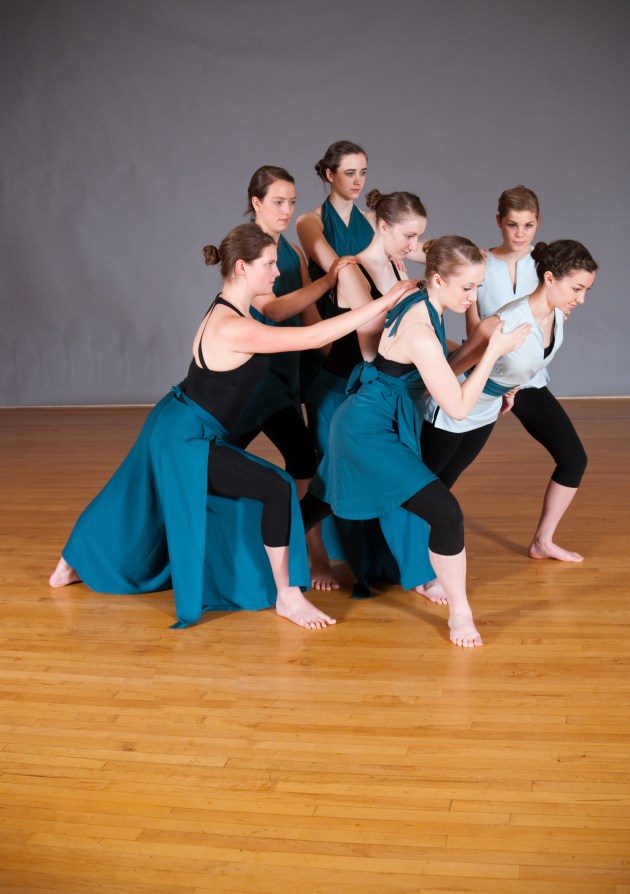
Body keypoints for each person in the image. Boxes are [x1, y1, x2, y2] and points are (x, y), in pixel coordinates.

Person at [49, 224, 418, 630]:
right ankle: (288, 598)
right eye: (270, 264)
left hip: (175, 420)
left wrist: (339, 284)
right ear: (242, 267)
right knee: (275, 488)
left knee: (136, 494)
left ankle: (71, 562)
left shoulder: (231, 307)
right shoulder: (233, 327)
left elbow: (282, 314)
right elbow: (313, 337)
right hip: (185, 436)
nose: (277, 272)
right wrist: (385, 302)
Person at [301, 236, 531, 647]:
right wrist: (492, 352)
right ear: (438, 280)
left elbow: (441, 372)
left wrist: (486, 367)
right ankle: (461, 615)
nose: (473, 297)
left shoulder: (422, 298)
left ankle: (260, 559)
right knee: (446, 514)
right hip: (365, 431)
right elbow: (457, 407)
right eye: (466, 287)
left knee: (317, 505)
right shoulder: (422, 329)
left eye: (477, 286)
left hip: (374, 422)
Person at [421, 240, 598, 562]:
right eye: (577, 289)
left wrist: (507, 388)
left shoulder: (557, 316)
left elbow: (522, 364)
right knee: (424, 488)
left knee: (445, 483)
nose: (581, 299)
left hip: (487, 410)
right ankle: (397, 559)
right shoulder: (502, 323)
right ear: (549, 278)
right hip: (453, 409)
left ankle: (415, 557)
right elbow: (450, 370)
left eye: (586, 290)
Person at [308, 188, 445, 602]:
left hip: (382, 392)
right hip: (344, 394)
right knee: (340, 487)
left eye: (418, 236)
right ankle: (325, 560)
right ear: (382, 226)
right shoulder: (352, 271)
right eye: (408, 236)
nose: (414, 245)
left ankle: (406, 568)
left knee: (397, 480)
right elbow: (373, 351)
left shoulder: (397, 263)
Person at [226, 165, 353, 589]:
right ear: (256, 202)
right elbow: (275, 310)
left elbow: (310, 321)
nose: (286, 210)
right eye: (277, 201)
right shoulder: (247, 249)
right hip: (251, 381)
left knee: (302, 462)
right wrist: (328, 280)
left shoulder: (294, 254)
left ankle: (313, 556)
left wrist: (344, 361)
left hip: (284, 379)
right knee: (208, 461)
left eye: (292, 202)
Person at [466, 184, 541, 333]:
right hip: (487, 347)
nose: (520, 234)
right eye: (512, 225)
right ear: (499, 220)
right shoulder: (480, 263)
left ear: (537, 222)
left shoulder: (546, 264)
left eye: (528, 226)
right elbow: (472, 331)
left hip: (536, 349)